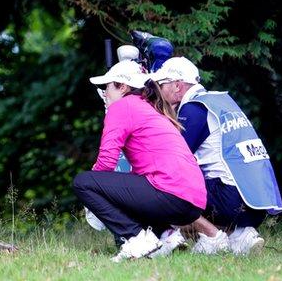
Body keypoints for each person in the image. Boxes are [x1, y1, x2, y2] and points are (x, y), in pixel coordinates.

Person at [73, 60, 207, 262]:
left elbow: (106, 163)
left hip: (171, 194)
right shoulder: (149, 106)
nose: (105, 94)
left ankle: (135, 238)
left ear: (122, 86)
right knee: (122, 184)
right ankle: (164, 235)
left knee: (83, 182)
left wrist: (94, 196)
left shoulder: (122, 107)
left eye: (107, 87)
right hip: (192, 202)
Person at [151, 57, 282, 255]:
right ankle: (242, 235)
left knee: (164, 183)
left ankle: (199, 237)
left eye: (161, 85)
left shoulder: (194, 108)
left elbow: (175, 156)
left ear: (177, 86)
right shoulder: (220, 101)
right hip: (257, 203)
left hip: (229, 200)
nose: (158, 91)